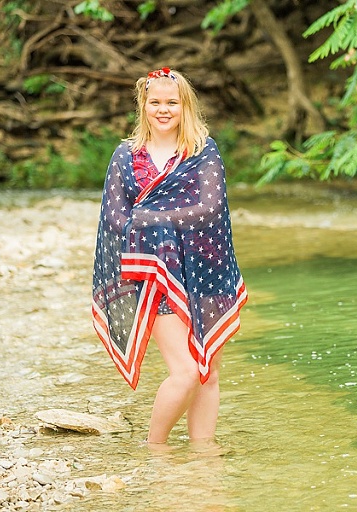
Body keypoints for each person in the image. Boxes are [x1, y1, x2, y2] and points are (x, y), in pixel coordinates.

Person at [91, 67, 248, 447]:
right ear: (143, 105)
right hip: (151, 277)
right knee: (186, 370)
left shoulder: (203, 151)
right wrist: (150, 225)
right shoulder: (125, 156)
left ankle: (203, 458)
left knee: (207, 371)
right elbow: (113, 217)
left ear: (185, 106)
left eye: (172, 103)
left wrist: (146, 218)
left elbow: (209, 209)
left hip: (207, 270)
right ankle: (155, 448)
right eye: (155, 102)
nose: (163, 110)